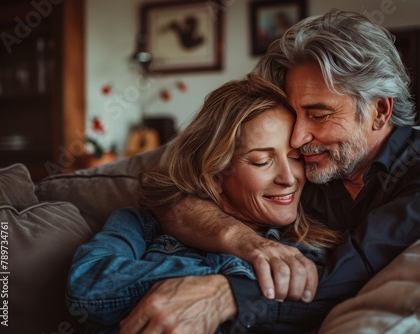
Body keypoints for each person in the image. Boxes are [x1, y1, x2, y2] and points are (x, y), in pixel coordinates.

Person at [116, 8, 420, 333]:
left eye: (318, 114)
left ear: (379, 111)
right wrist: (244, 240)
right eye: (295, 115)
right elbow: (174, 192)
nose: (297, 137)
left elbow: (351, 272)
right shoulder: (306, 168)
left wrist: (227, 296)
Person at [66, 74, 340, 333]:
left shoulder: (309, 245)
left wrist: (226, 292)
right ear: (216, 174)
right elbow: (88, 289)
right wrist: (222, 281)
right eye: (262, 161)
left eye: (294, 157)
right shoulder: (141, 222)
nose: (289, 177)